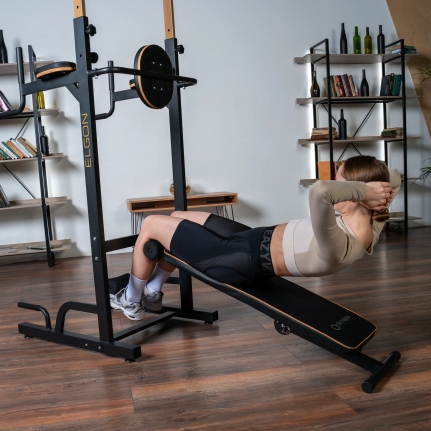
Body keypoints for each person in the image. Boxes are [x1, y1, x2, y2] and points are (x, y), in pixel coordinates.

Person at [110, 155, 401, 321]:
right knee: (176, 217)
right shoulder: (371, 223)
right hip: (249, 240)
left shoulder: (340, 243)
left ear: (358, 193)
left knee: (152, 224)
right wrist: (370, 191)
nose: (336, 187)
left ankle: (131, 300)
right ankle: (152, 292)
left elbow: (319, 191)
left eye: (341, 183)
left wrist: (363, 190)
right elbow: (396, 176)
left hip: (238, 259)